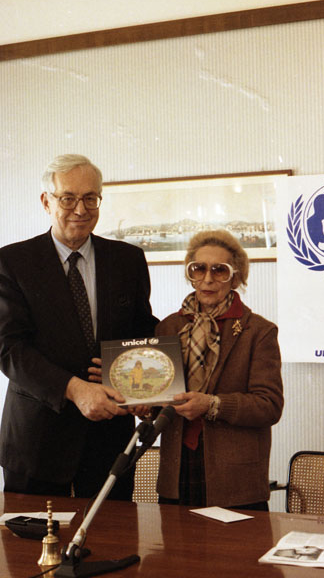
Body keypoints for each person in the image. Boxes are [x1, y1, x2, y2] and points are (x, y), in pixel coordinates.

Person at [0, 154, 158, 500]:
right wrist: (74, 389)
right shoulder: (11, 262)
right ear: (46, 201)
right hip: (36, 440)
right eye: (68, 198)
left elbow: (142, 333)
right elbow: (9, 349)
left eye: (90, 198)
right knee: (32, 535)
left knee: (112, 533)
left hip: (109, 439)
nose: (80, 209)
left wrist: (146, 391)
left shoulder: (128, 260)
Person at [154, 229, 284, 510]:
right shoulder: (168, 327)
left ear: (235, 277)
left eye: (219, 270)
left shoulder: (258, 331)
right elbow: (161, 398)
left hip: (235, 481)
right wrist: (143, 403)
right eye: (198, 268)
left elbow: (270, 406)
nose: (208, 279)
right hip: (177, 472)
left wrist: (212, 405)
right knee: (174, 540)